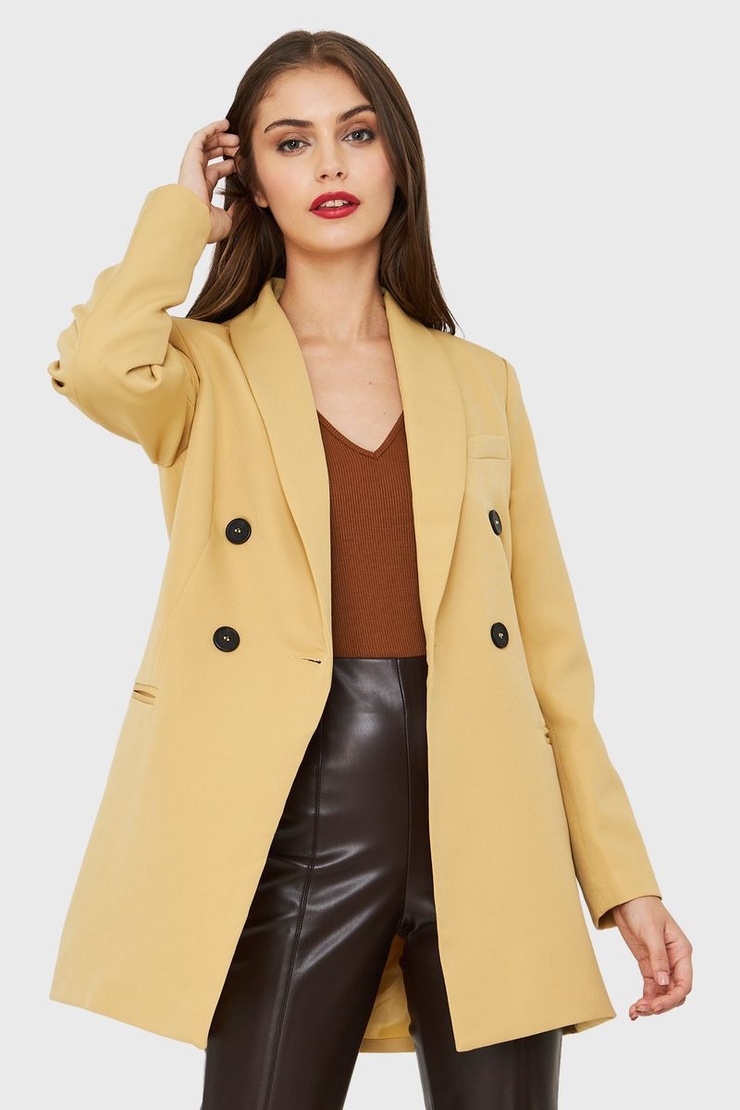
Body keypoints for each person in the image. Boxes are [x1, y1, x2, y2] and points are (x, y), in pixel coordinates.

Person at [47, 28, 693, 1110]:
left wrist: (623, 880)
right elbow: (99, 365)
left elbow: (551, 662)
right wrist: (181, 220)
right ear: (250, 179)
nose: (331, 165)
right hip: (296, 818)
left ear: (398, 156)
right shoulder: (203, 369)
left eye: (356, 134)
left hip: (491, 817)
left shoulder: (480, 382)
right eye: (290, 142)